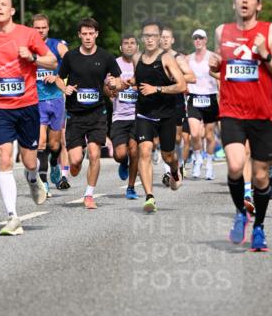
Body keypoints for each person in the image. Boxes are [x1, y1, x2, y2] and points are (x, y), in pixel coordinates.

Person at [0, 0, 56, 235]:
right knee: (5, 158)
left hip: (27, 105)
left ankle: (32, 178)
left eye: (3, 5)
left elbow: (51, 61)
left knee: (29, 160)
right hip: (0, 107)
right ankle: (12, 217)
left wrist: (33, 58)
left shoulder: (28, 34)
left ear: (12, 11)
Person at [210, 0, 272, 252]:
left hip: (262, 113)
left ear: (258, 4)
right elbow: (221, 64)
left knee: (262, 177)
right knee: (234, 164)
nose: (244, 1)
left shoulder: (270, 30)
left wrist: (264, 53)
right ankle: (241, 211)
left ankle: (260, 227)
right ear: (234, 3)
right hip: (231, 111)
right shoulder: (222, 31)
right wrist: (215, 63)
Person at [55, 17, 124, 210]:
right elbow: (59, 79)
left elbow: (118, 81)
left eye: (90, 34)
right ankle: (74, 167)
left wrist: (113, 84)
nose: (87, 37)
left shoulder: (106, 57)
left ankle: (89, 194)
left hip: (97, 113)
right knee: (75, 160)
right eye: (84, 34)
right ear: (79, 35)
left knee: (94, 154)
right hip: (75, 114)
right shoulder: (71, 57)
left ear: (96, 34)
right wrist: (64, 89)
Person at [133, 20, 187, 213]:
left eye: (153, 36)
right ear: (142, 38)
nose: (150, 39)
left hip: (166, 114)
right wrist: (121, 84)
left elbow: (181, 85)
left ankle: (174, 169)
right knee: (145, 151)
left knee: (168, 155)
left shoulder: (167, 59)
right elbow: (137, 80)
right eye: (146, 36)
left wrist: (156, 89)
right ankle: (149, 197)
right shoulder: (136, 58)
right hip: (144, 114)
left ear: (159, 38)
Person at [31, 13, 68, 197]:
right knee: (41, 143)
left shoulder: (57, 45)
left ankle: (54, 163)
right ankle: (43, 182)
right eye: (37, 27)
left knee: (54, 145)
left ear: (48, 28)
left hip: (56, 100)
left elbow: (72, 61)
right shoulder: (28, 47)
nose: (40, 30)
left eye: (43, 27)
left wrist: (57, 76)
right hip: (36, 101)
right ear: (33, 28)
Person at [159, 26, 195, 186]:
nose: (165, 40)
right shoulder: (154, 57)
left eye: (168, 37)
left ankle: (178, 165)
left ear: (172, 40)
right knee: (164, 137)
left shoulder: (178, 57)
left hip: (176, 101)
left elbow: (192, 77)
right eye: (162, 37)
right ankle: (167, 171)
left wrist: (175, 77)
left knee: (177, 138)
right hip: (159, 102)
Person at [108, 34, 140, 200]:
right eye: (126, 43)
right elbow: (106, 87)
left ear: (137, 47)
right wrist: (110, 91)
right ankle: (123, 162)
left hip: (137, 115)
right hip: (119, 116)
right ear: (121, 48)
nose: (129, 46)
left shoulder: (142, 65)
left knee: (135, 150)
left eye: (132, 43)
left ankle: (131, 187)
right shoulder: (114, 64)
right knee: (120, 154)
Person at [187, 29, 220, 181]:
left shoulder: (214, 57)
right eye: (195, 38)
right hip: (194, 98)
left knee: (209, 135)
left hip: (210, 98)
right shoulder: (188, 59)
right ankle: (198, 158)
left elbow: (221, 76)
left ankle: (209, 163)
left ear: (206, 40)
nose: (198, 40)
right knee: (194, 134)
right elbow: (183, 75)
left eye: (200, 38)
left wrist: (222, 94)